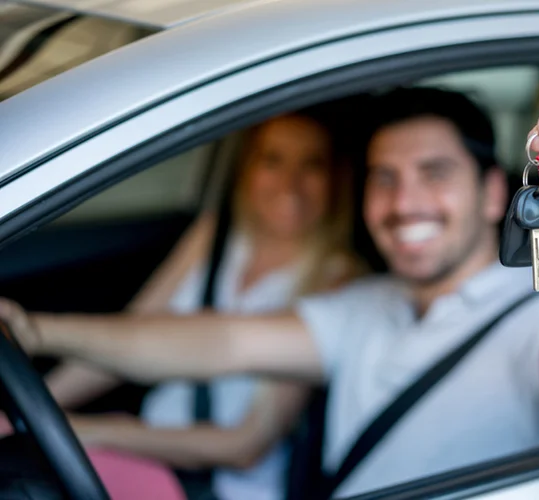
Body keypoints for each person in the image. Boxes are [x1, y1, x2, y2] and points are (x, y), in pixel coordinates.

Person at [1, 57, 539, 498]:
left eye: (434, 174)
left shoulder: (538, 320)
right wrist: (38, 329)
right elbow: (216, 343)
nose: (404, 203)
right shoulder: (366, 305)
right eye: (384, 177)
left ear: (496, 193)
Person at [21, 108, 364, 500]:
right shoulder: (214, 234)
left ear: (336, 178)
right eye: (273, 159)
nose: (290, 182)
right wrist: (37, 407)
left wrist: (85, 430)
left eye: (312, 164)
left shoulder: (337, 282)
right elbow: (126, 336)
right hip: (141, 457)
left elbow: (246, 446)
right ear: (247, 166)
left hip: (221, 488)